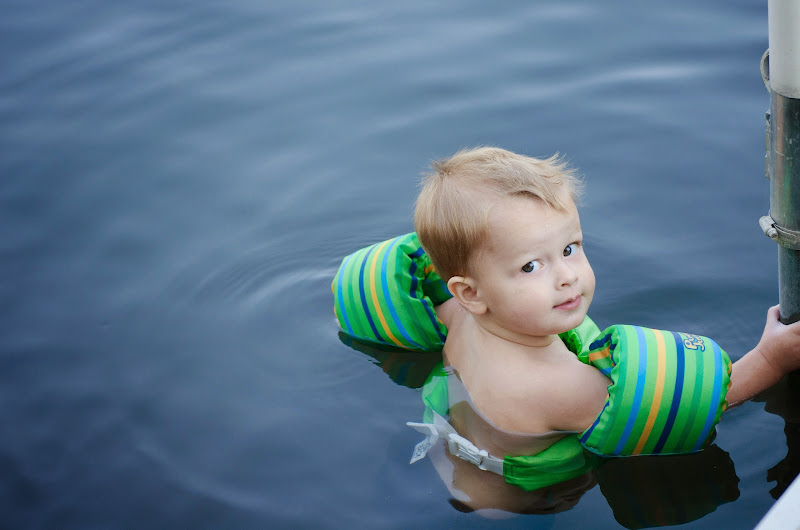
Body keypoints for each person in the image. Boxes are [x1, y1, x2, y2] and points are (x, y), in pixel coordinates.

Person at [413, 146, 800, 444]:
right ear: (470, 293)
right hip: (521, 502)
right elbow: (693, 406)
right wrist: (771, 358)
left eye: (570, 248)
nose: (567, 276)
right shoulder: (554, 384)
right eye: (531, 266)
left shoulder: (454, 315)